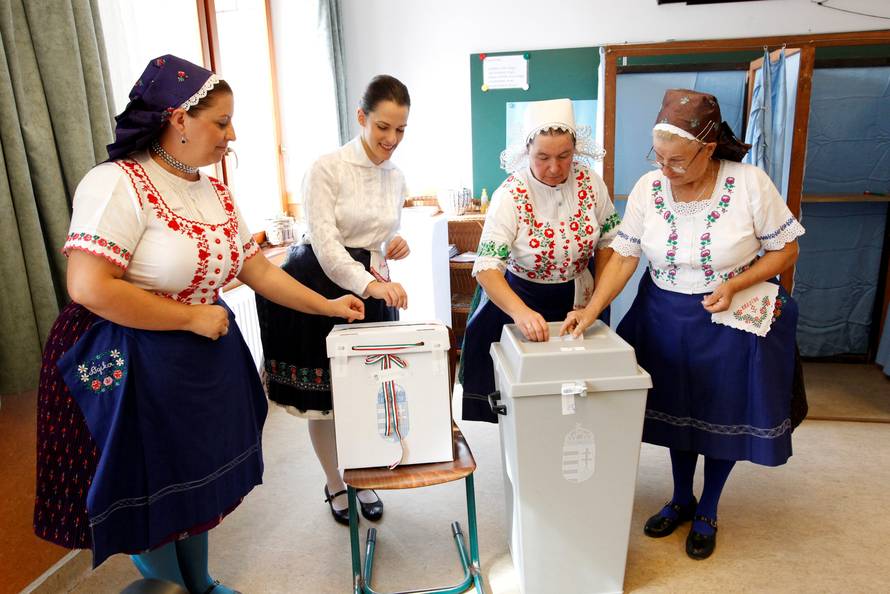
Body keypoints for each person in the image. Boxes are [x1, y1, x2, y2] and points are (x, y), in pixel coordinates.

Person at [33, 55, 363, 593]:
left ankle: (201, 582)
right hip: (129, 354)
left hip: (197, 354)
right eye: (222, 122)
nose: (232, 135)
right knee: (153, 478)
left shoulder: (213, 193)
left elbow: (251, 268)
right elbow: (89, 288)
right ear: (178, 118)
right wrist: (189, 316)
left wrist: (327, 305)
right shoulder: (116, 184)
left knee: (192, 476)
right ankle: (173, 590)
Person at [561, 89, 805, 560]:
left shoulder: (750, 183)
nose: (665, 169)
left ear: (708, 150)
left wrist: (737, 283)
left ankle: (709, 507)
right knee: (676, 410)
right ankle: (680, 496)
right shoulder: (650, 190)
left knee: (721, 413)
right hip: (664, 315)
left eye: (677, 161)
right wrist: (591, 311)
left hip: (727, 316)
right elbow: (626, 254)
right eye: (660, 158)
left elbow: (786, 248)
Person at [255, 75, 411, 525]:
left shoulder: (395, 175)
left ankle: (364, 476)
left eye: (400, 130)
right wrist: (371, 283)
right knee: (325, 400)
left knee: (367, 394)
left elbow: (375, 237)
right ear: (361, 117)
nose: (391, 139)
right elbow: (326, 245)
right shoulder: (326, 168)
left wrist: (391, 246)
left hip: (370, 287)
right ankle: (335, 482)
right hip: (318, 285)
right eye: (383, 127)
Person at [460, 98, 620, 423]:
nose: (554, 168)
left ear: (576, 150)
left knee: (577, 396)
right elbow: (487, 269)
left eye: (564, 156)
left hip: (579, 297)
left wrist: (597, 304)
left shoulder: (590, 182)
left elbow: (609, 242)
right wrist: (520, 313)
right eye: (542, 157)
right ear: (526, 152)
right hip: (521, 296)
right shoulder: (511, 195)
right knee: (523, 401)